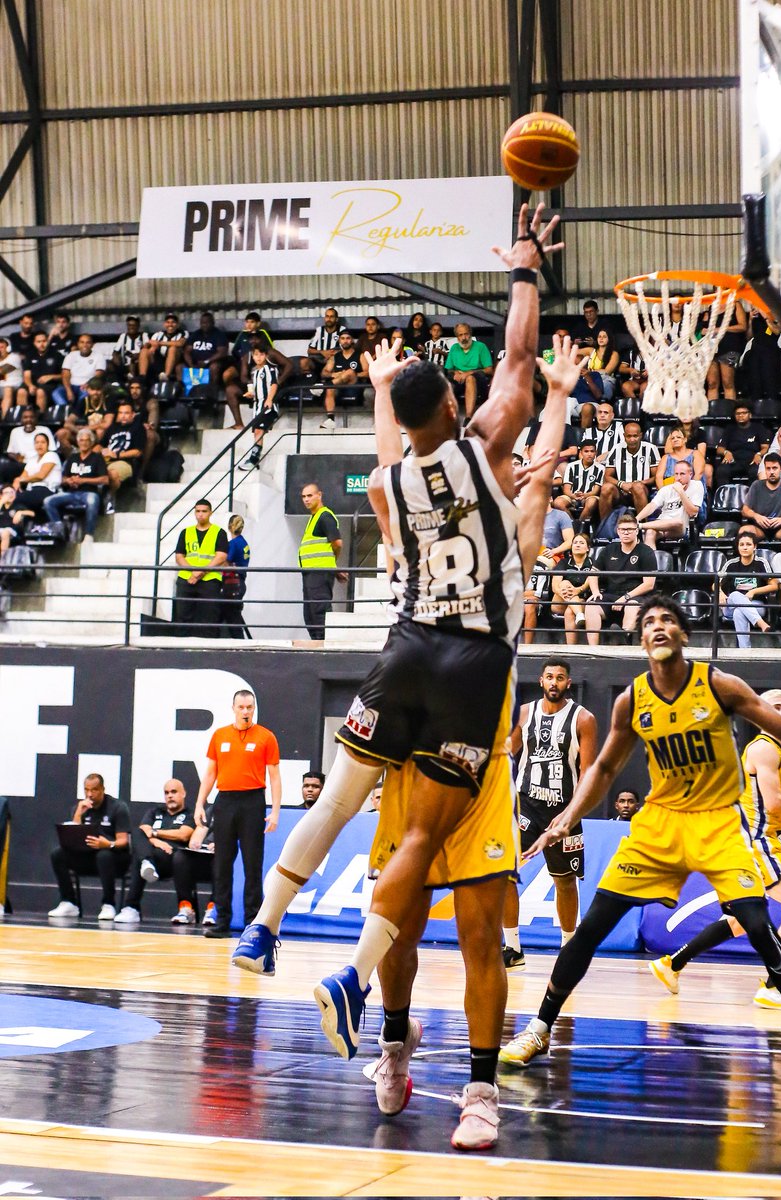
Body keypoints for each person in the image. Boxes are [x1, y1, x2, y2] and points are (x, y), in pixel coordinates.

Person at [233, 327, 577, 1151]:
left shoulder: (408, 518)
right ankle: (394, 1043)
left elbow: (394, 467)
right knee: (408, 928)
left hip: (464, 744)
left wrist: (384, 389)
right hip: (442, 729)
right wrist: (557, 402)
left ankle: (474, 1085)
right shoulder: (499, 533)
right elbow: (523, 466)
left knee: (472, 932)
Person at [498, 594, 781, 1091]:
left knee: (760, 928)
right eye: (649, 621)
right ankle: (539, 1028)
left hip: (719, 824)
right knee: (591, 928)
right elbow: (605, 768)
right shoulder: (632, 700)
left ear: (683, 634)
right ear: (641, 638)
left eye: (667, 619)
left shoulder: (719, 684)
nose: (658, 626)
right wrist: (567, 817)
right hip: (660, 825)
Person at [650, 690, 781, 1009]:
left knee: (741, 920)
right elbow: (774, 803)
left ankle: (671, 965)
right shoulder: (765, 748)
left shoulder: (776, 749)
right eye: (776, 706)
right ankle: (775, 986)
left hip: (746, 840)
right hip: (755, 841)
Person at [502, 660, 598, 969]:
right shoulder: (524, 713)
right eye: (549, 677)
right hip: (526, 805)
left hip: (563, 808)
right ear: (541, 681)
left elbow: (588, 772)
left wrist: (571, 812)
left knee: (565, 881)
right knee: (504, 873)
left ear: (568, 682)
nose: (554, 682)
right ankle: (512, 947)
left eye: (559, 677)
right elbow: (507, 754)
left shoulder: (583, 718)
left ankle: (569, 947)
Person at [193, 690, 281, 938]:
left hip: (253, 801)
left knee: (252, 864)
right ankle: (222, 921)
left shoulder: (266, 737)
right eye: (241, 707)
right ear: (233, 708)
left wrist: (275, 810)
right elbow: (210, 773)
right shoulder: (220, 735)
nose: (245, 712)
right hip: (225, 801)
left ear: (254, 709)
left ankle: (252, 923)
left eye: (249, 707)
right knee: (222, 863)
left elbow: (274, 777)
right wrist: (200, 803)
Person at [48, 773, 132, 922]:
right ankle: (69, 902)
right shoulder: (80, 808)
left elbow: (123, 841)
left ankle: (108, 904)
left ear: (103, 789)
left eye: (94, 790)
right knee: (58, 854)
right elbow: (73, 837)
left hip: (115, 857)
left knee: (104, 855)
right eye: (86, 790)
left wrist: (107, 844)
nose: (90, 794)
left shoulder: (118, 807)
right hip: (87, 857)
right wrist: (78, 814)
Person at [114, 780, 196, 924]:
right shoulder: (155, 812)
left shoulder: (190, 814)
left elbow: (183, 834)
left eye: (174, 792)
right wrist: (156, 841)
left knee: (141, 858)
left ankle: (184, 909)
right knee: (137, 835)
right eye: (166, 793)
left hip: (173, 859)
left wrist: (155, 833)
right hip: (152, 860)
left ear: (183, 793)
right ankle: (131, 909)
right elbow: (143, 830)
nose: (170, 796)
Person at [584, 512, 657, 645]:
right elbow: (593, 573)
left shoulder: (646, 551)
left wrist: (625, 598)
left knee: (632, 606)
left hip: (637, 596)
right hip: (612, 594)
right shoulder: (608, 549)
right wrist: (595, 592)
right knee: (591, 606)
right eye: (623, 529)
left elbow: (649, 584)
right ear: (618, 531)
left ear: (636, 531)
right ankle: (593, 649)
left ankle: (623, 640)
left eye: (630, 529)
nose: (626, 532)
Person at [173, 499, 228, 637]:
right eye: (198, 511)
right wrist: (193, 571)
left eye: (204, 511)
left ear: (210, 513)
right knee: (183, 617)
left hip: (210, 581)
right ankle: (182, 646)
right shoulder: (186, 532)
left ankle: (207, 647)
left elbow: (221, 557)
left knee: (209, 618)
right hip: (186, 579)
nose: (200, 514)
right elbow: (179, 556)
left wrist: (201, 572)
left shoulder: (219, 532)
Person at [43, 428, 108, 543]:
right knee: (48, 501)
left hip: (88, 493)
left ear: (91, 442)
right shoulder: (72, 458)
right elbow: (62, 478)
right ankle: (60, 530)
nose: (84, 443)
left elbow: (105, 480)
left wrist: (83, 480)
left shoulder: (97, 458)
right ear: (78, 442)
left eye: (87, 440)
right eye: (81, 440)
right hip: (71, 493)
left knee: (92, 500)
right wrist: (68, 481)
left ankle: (89, 535)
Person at [298, 482, 345, 641]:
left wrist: (332, 565)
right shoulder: (314, 517)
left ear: (319, 495)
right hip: (311, 572)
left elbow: (337, 543)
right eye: (303, 496)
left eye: (310, 495)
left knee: (319, 611)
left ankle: (322, 644)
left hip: (319, 572)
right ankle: (316, 643)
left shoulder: (325, 516)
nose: (306, 499)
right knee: (310, 614)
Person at [718, 529, 775, 647]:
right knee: (735, 595)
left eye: (748, 544)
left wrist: (753, 591)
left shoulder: (761, 563)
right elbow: (715, 584)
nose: (745, 547)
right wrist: (721, 593)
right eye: (741, 545)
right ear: (738, 547)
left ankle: (744, 651)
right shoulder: (731, 564)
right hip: (731, 606)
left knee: (739, 612)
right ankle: (761, 623)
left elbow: (774, 585)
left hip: (756, 604)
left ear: (755, 546)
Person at [635, 458, 704, 548]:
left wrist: (681, 492)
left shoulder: (696, 486)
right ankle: (652, 557)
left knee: (678, 522)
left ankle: (640, 526)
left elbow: (693, 512)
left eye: (682, 474)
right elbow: (652, 506)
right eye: (676, 474)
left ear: (690, 474)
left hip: (680, 528)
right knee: (650, 532)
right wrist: (636, 518)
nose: (678, 478)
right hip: (662, 524)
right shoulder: (666, 489)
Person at [600, 420, 660, 519]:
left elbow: (656, 476)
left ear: (641, 435)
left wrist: (639, 483)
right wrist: (622, 484)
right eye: (629, 436)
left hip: (642, 490)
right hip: (621, 491)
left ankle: (642, 525)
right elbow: (607, 476)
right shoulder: (616, 449)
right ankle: (605, 526)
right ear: (624, 436)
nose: (632, 439)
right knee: (606, 488)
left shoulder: (650, 448)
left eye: (635, 436)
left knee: (637, 487)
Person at [740, 454, 781, 540]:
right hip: (760, 528)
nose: (771, 472)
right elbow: (745, 510)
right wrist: (756, 516)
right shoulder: (756, 485)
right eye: (768, 468)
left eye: (775, 468)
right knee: (744, 531)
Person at [238, 342, 280, 470]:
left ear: (266, 355)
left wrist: (269, 399)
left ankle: (253, 459)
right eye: (256, 355)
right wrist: (251, 394)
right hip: (257, 407)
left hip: (267, 407)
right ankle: (254, 460)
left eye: (261, 354)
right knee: (257, 431)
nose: (259, 357)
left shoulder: (270, 369)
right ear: (252, 356)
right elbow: (258, 390)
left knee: (259, 430)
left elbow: (274, 384)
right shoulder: (255, 372)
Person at [714, 402, 771, 489]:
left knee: (756, 472)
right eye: (738, 413)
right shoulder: (729, 429)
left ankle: (752, 496)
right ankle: (724, 495)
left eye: (744, 413)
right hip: (733, 461)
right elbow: (719, 449)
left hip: (752, 461)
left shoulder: (758, 428)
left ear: (750, 415)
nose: (741, 415)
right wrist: (726, 452)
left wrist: (759, 454)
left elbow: (765, 447)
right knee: (721, 471)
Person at [550, 531, 595, 643]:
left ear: (588, 548)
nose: (577, 545)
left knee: (570, 612)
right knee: (564, 583)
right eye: (575, 543)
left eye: (581, 543)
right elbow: (555, 586)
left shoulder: (593, 563)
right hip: (560, 601)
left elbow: (591, 580)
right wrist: (566, 593)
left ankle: (571, 648)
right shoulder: (564, 562)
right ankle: (579, 614)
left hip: (583, 600)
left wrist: (578, 590)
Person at [444, 323, 494, 418]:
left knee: (470, 379)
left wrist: (468, 373)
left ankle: (468, 417)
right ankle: (446, 418)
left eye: (466, 334)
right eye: (460, 335)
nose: (464, 338)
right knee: (446, 384)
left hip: (478, 380)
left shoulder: (480, 347)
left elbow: (489, 370)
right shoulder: (454, 348)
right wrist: (455, 372)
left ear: (470, 334)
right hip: (459, 380)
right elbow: (449, 369)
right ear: (457, 337)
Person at [554, 441, 604, 527]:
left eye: (592, 451)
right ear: (581, 453)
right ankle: (572, 524)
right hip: (572, 496)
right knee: (558, 502)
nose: (589, 454)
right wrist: (574, 496)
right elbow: (566, 489)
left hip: (589, 496)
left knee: (592, 502)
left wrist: (584, 495)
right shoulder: (571, 466)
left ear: (596, 453)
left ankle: (579, 526)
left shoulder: (601, 468)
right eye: (586, 451)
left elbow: (595, 491)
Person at [221, 514, 251, 639]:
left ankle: (240, 643)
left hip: (232, 584)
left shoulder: (233, 544)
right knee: (234, 616)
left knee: (232, 619)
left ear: (229, 527)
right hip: (240, 583)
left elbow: (225, 562)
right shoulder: (244, 543)